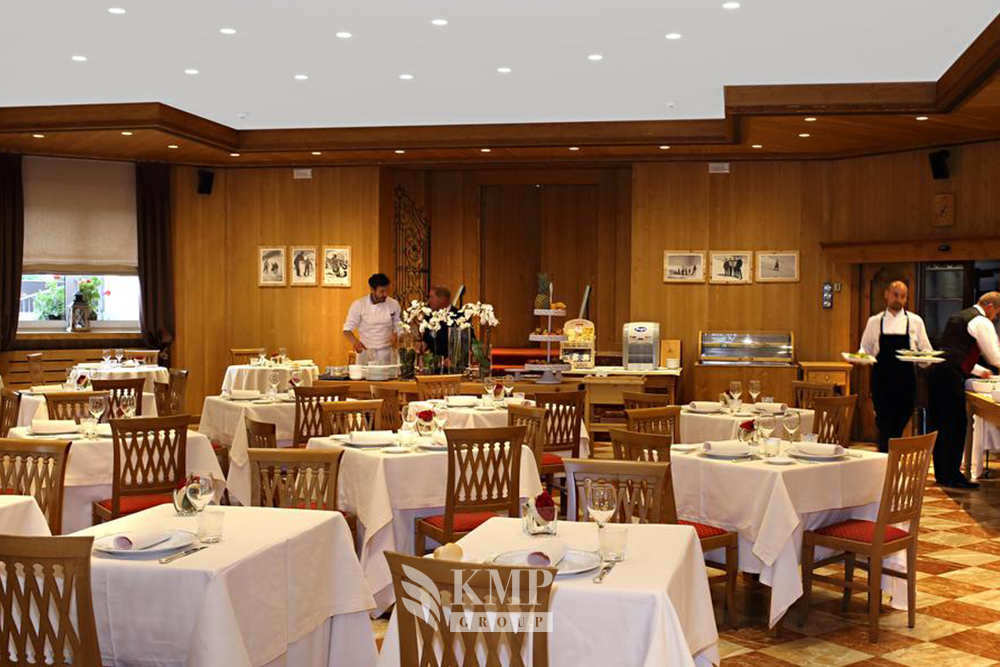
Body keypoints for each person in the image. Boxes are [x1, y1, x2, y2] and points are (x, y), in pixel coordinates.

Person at [927, 292, 1000, 489]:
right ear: (990, 306)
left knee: (943, 426)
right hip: (949, 377)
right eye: (997, 313)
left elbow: (953, 352)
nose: (995, 318)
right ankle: (952, 477)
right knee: (955, 426)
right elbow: (995, 356)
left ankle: (944, 474)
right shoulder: (981, 321)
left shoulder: (958, 317)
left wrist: (980, 371)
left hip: (937, 374)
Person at [858, 280, 932, 453]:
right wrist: (860, 357)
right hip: (881, 381)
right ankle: (886, 458)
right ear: (886, 294)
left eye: (903, 296)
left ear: (906, 298)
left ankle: (889, 458)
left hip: (906, 381)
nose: (899, 299)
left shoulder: (915, 321)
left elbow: (926, 351)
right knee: (884, 423)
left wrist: (923, 359)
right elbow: (865, 348)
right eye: (895, 295)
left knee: (901, 419)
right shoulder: (875, 321)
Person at [342, 273, 400, 365]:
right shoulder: (359, 305)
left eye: (386, 291)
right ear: (372, 289)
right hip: (366, 351)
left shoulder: (394, 304)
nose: (385, 294)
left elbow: (399, 325)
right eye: (382, 291)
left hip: (387, 352)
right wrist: (355, 342)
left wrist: (397, 335)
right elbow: (347, 330)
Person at [421, 286, 458, 356]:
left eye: (431, 297)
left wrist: (452, 358)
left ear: (442, 299)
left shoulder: (459, 316)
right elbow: (426, 339)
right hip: (431, 360)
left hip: (451, 360)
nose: (429, 301)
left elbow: (466, 343)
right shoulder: (429, 316)